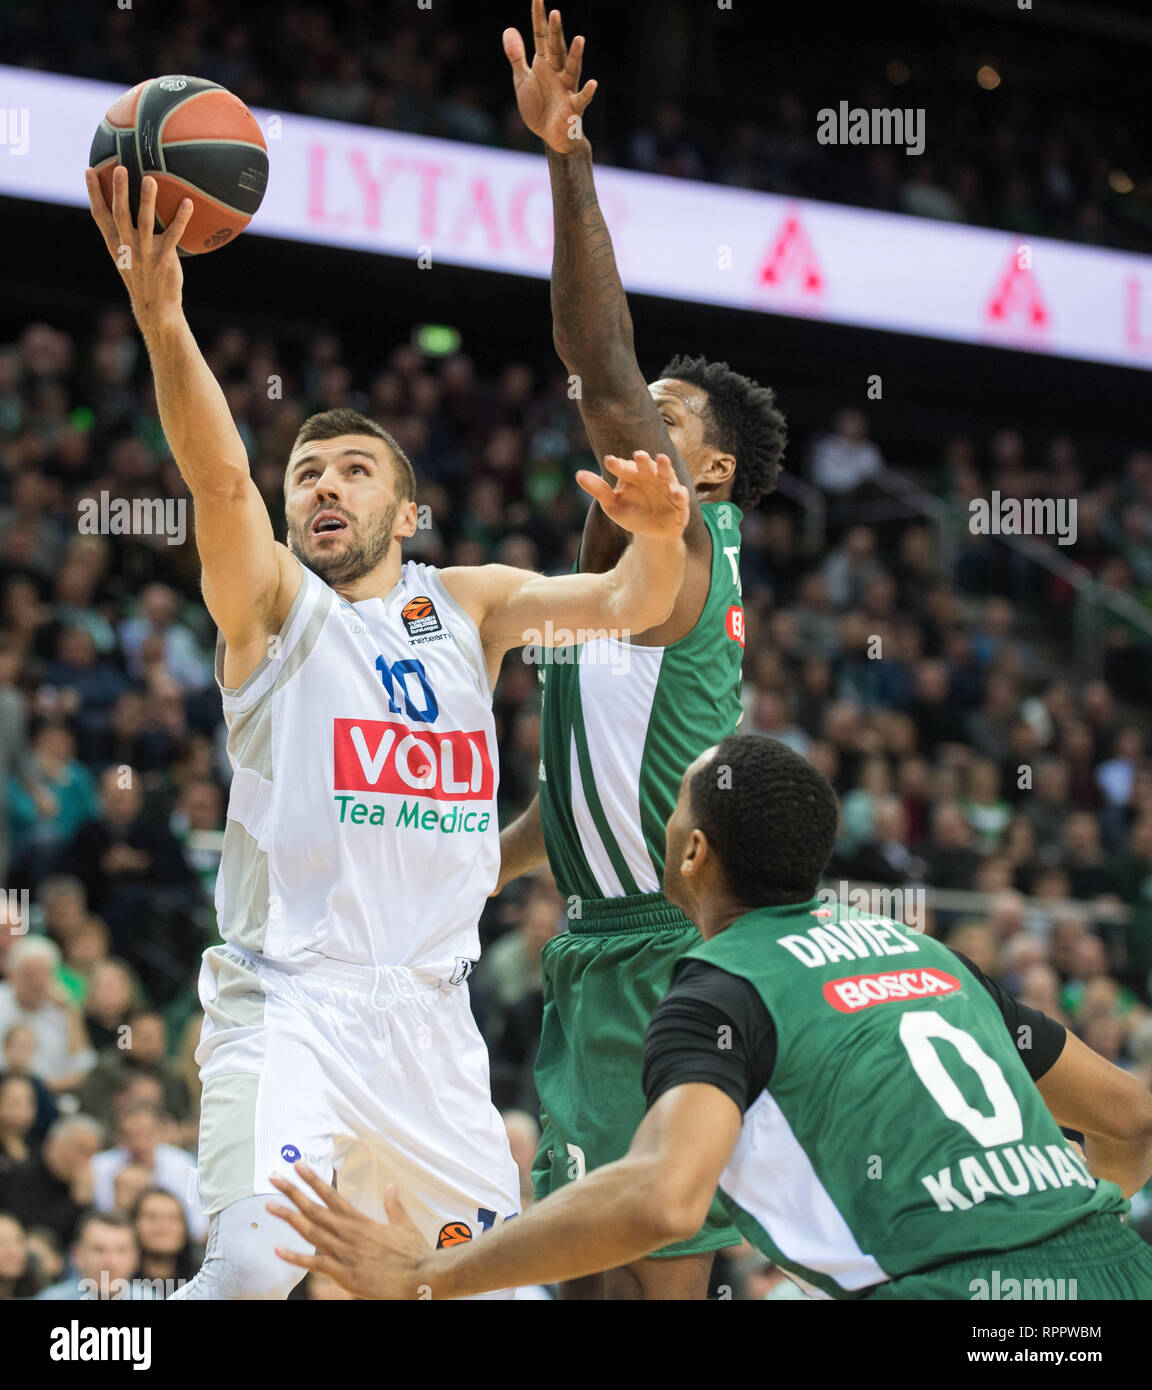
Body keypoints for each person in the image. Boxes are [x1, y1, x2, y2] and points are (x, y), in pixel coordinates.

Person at [85, 160, 691, 1301]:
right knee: (258, 1270)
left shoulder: (467, 601)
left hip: (431, 1019)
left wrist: (659, 534)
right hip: (292, 1004)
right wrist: (164, 320)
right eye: (307, 470)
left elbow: (633, 606)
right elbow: (220, 482)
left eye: (354, 471)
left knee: (500, 1290)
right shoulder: (271, 607)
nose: (323, 486)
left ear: (407, 513)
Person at [269, 736, 1152, 1300]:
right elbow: (1134, 1122)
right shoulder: (926, 953)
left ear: (691, 851)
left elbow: (662, 1197)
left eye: (677, 805)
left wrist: (430, 1275)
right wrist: (1043, 1235)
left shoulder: (719, 987)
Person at [496, 0, 786, 1301]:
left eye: (667, 419)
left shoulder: (698, 539)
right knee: (581, 1281)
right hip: (596, 944)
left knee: (644, 1288)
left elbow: (596, 357)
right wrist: (470, 865)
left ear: (708, 466)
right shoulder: (603, 586)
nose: (635, 426)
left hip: (671, 950)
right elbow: (578, 794)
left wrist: (567, 157)